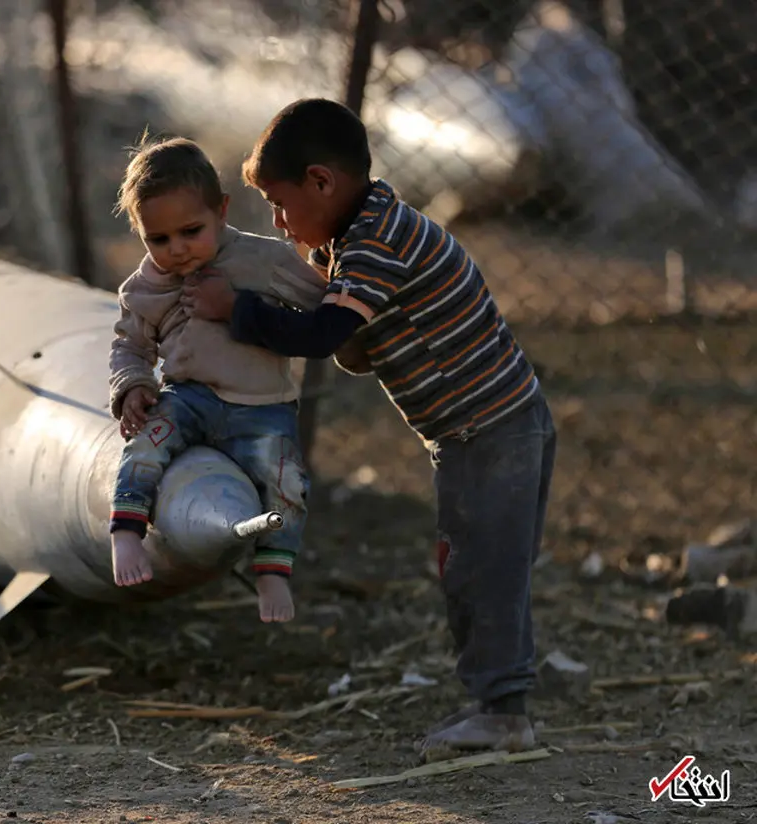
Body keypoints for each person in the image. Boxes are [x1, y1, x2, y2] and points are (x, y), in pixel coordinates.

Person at [182, 98, 557, 754]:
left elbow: (328, 334)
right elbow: (358, 344)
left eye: (280, 202)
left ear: (322, 183)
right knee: (470, 567)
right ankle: (500, 694)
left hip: (493, 428)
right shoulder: (356, 240)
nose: (275, 220)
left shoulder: (378, 240)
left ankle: (504, 711)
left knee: (484, 570)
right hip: (480, 430)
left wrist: (237, 309)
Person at [108, 135, 328, 623]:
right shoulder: (144, 287)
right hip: (189, 399)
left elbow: (322, 305)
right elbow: (130, 344)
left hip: (263, 405)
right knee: (145, 443)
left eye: (191, 231)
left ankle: (272, 570)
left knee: (287, 479)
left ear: (222, 210)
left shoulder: (261, 260)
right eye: (158, 240)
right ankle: (126, 532)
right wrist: (133, 385)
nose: (178, 250)